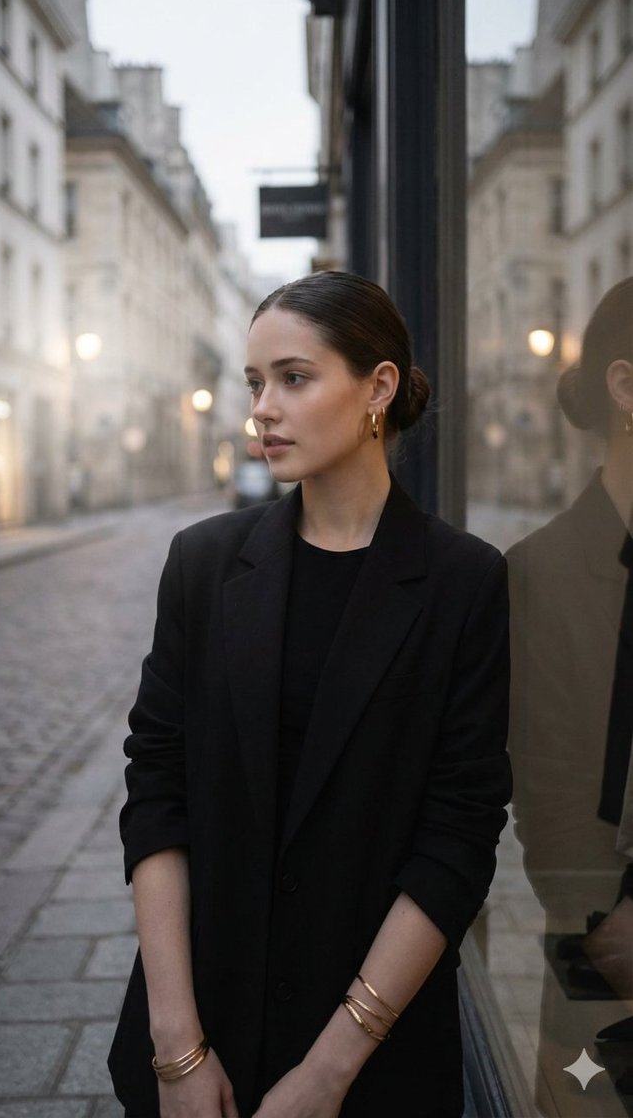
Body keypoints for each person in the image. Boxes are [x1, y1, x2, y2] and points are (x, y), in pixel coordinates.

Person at [108, 270, 512, 1118]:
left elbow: (460, 835)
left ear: (379, 388)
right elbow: (157, 790)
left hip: (374, 1056)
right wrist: (176, 1047)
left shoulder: (462, 581)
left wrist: (332, 1069)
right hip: (200, 1022)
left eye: (293, 378)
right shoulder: (204, 564)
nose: (263, 408)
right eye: (255, 383)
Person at [506, 276, 633, 1113]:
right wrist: (604, 926)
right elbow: (547, 792)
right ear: (625, 388)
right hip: (611, 985)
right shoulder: (545, 572)